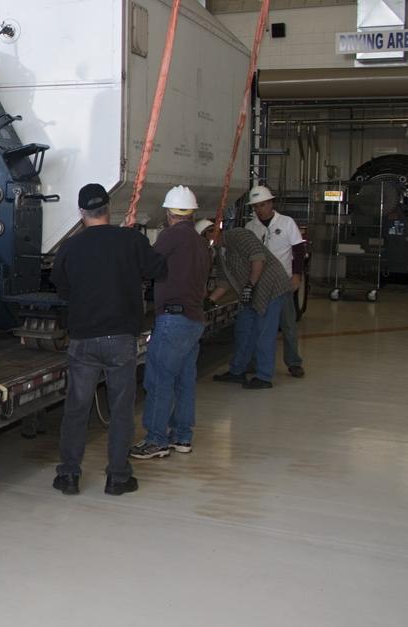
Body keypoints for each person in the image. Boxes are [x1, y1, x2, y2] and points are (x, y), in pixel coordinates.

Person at [51, 183, 167, 497]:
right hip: (120, 338)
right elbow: (158, 268)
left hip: (83, 338)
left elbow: (61, 288)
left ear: (81, 212)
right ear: (109, 208)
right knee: (121, 409)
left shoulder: (70, 247)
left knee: (77, 408)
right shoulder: (131, 240)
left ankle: (69, 475)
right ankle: (118, 477)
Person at [130, 186, 212, 460]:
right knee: (185, 381)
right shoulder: (200, 242)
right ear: (191, 213)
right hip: (194, 319)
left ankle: (156, 439)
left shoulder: (171, 236)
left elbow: (148, 265)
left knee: (159, 380)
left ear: (169, 213)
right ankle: (182, 436)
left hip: (173, 320)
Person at [210, 226, 290, 389]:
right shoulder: (220, 252)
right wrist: (210, 300)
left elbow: (258, 258)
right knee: (244, 329)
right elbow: (224, 282)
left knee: (264, 332)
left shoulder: (239, 234)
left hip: (271, 287)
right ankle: (237, 371)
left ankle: (264, 376)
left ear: (215, 231)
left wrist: (249, 286)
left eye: (208, 236)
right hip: (251, 292)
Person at [245, 186, 306, 377]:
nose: (259, 209)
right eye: (255, 206)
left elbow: (298, 250)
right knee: (258, 325)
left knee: (288, 324)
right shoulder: (251, 227)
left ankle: (293, 362)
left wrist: (296, 275)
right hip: (260, 283)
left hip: (282, 282)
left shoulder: (286, 223)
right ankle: (254, 361)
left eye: (262, 205)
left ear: (271, 203)